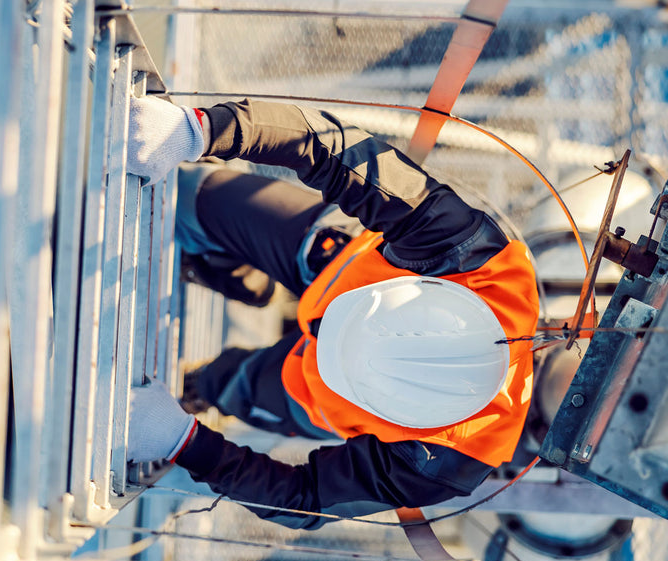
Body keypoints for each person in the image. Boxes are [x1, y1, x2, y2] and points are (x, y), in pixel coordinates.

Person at [124, 96, 539, 529]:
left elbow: (306, 499)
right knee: (191, 197)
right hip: (336, 271)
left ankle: (208, 382)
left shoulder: (448, 462)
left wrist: (184, 442)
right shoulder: (470, 257)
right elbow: (330, 146)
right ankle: (245, 273)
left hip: (312, 390)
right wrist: (200, 130)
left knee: (225, 384)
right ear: (422, 288)